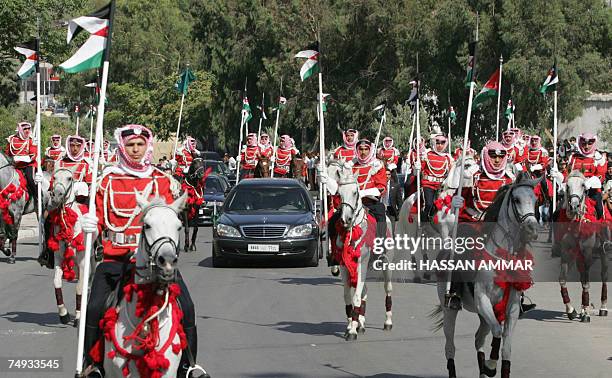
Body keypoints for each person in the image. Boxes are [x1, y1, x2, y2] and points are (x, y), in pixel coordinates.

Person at [80, 124, 197, 377]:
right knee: (95, 307)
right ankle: (93, 366)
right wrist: (88, 223)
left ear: (148, 147)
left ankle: (189, 366)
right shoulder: (106, 181)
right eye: (131, 145)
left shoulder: (162, 181)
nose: (135, 149)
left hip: (155, 264)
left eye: (140, 145)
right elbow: (99, 219)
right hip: (115, 260)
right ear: (123, 147)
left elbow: (168, 217)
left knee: (187, 306)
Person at [321, 138, 388, 238]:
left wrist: (362, 193)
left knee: (381, 213)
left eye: (366, 149)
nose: (363, 152)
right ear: (357, 150)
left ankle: (381, 247)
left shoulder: (377, 165)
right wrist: (326, 180)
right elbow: (340, 187)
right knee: (333, 221)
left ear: (370, 150)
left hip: (369, 202)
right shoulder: (349, 166)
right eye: (360, 149)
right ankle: (332, 247)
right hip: (350, 203)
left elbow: (381, 188)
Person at [564, 133, 607, 219]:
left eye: (589, 144)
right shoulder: (573, 157)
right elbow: (567, 172)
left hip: (591, 189)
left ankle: (601, 228)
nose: (586, 146)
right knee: (559, 209)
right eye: (584, 144)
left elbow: (601, 175)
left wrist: (590, 182)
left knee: (599, 208)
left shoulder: (598, 157)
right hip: (574, 188)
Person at [420, 134, 453, 222]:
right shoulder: (427, 154)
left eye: (442, 143)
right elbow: (419, 171)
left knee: (443, 206)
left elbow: (451, 173)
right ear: (434, 143)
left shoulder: (447, 157)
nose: (440, 145)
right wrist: (417, 167)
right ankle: (423, 225)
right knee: (428, 204)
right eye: (437, 143)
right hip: (428, 185)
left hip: (441, 186)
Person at [5, 121, 38, 201]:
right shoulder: (12, 139)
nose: (27, 131)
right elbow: (7, 152)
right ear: (20, 129)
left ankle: (36, 197)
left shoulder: (31, 140)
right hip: (15, 165)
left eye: (28, 129)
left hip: (28, 164)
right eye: (25, 129)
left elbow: (33, 154)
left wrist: (23, 159)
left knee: (30, 179)